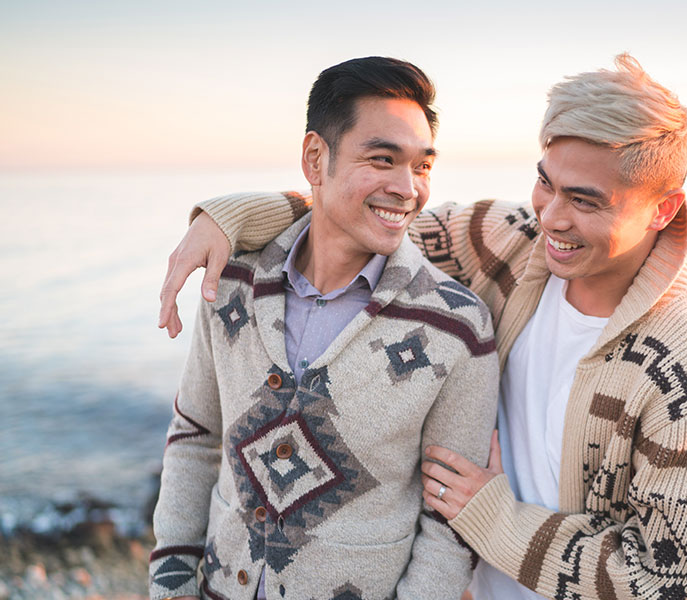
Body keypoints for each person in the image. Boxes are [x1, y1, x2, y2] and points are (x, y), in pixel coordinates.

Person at [158, 54, 687, 599]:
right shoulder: (515, 240)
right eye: (547, 182)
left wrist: (493, 518)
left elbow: (667, 582)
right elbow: (375, 215)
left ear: (663, 209)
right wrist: (228, 219)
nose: (553, 217)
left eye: (587, 202)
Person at [149, 56, 499, 600]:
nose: (408, 189)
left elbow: (449, 521)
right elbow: (195, 438)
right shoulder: (233, 282)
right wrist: (170, 586)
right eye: (382, 159)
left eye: (422, 166)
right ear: (316, 156)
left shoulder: (456, 325)